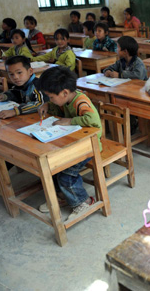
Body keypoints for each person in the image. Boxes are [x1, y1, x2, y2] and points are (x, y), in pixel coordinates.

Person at [37, 66, 101, 220]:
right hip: (72, 143)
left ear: (65, 92)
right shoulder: (64, 99)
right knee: (53, 167)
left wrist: (69, 121)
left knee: (66, 175)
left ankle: (83, 202)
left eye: (51, 97)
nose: (50, 100)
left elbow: (93, 120)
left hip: (89, 146)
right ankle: (63, 195)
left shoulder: (80, 101)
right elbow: (56, 105)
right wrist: (47, 105)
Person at [0, 56, 48, 181]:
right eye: (11, 74)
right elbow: (13, 93)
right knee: (2, 135)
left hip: (42, 124)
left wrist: (15, 111)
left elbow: (39, 103)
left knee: (10, 142)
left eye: (19, 72)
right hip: (25, 122)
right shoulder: (21, 84)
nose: (15, 77)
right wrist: (3, 96)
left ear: (30, 71)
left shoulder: (36, 85)